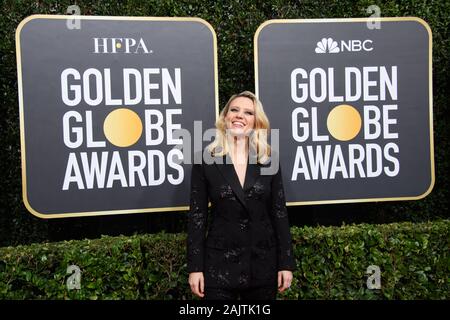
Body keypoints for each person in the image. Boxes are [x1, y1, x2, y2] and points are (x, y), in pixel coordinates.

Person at [187, 91, 295, 300]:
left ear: (256, 122)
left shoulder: (268, 159)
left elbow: (279, 213)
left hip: (262, 264)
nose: (239, 116)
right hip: (219, 266)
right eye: (234, 110)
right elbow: (197, 218)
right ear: (225, 117)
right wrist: (195, 268)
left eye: (248, 112)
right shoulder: (205, 161)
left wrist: (286, 263)